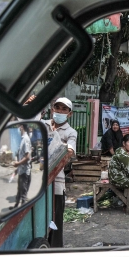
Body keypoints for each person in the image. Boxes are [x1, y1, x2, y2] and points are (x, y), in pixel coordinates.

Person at [44, 97, 77, 248]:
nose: (60, 111)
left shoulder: (70, 132)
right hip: (36, 181)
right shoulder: (42, 126)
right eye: (58, 108)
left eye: (64, 109)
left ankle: (55, 250)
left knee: (56, 220)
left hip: (56, 181)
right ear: (52, 109)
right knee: (40, 219)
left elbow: (69, 151)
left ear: (69, 114)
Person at [10, 123, 32, 210]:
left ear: (22, 127)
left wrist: (17, 164)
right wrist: (17, 168)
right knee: (19, 190)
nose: (18, 128)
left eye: (19, 126)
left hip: (24, 171)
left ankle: (22, 210)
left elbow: (27, 157)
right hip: (21, 169)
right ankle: (16, 206)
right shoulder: (23, 139)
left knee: (23, 192)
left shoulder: (25, 139)